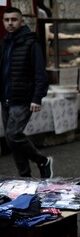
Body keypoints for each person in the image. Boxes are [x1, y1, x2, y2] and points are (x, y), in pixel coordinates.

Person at [0, 7, 52, 178]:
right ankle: (25, 176)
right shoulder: (4, 42)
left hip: (23, 98)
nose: (10, 23)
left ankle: (42, 160)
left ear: (21, 21)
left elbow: (40, 73)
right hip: (6, 97)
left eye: (14, 19)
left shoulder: (31, 42)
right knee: (11, 140)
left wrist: (37, 97)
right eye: (7, 20)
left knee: (13, 135)